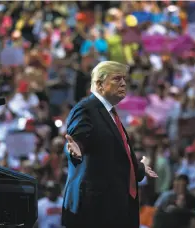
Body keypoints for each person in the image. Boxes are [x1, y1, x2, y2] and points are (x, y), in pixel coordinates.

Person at [62, 61, 158, 228]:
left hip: (116, 209)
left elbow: (113, 160)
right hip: (94, 212)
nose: (123, 83)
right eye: (117, 79)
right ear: (99, 84)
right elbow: (78, 138)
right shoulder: (86, 108)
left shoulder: (111, 114)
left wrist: (139, 169)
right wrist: (75, 149)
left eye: (124, 79)